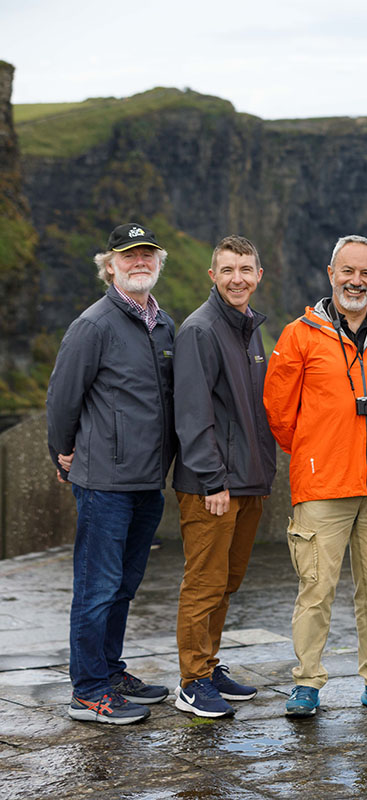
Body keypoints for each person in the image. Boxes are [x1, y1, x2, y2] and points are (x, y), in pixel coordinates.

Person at [263, 235, 367, 718]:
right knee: (316, 590)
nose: (356, 281)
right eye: (348, 271)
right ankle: (306, 683)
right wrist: (315, 451)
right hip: (322, 484)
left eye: (366, 273)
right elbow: (279, 411)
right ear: (331, 274)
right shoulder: (299, 334)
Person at [46, 223, 176, 724]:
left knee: (124, 585)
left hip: (147, 480)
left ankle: (110, 671)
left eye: (147, 254)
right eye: (128, 255)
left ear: (158, 262)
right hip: (104, 482)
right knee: (96, 588)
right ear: (110, 265)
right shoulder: (93, 324)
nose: (139, 261)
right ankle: (88, 691)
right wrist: (62, 453)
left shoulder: (164, 325)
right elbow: (62, 398)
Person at [171, 235, 275, 718]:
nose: (238, 278)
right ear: (213, 275)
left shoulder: (249, 328)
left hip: (247, 480)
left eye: (246, 269)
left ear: (258, 276)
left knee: (227, 581)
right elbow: (192, 414)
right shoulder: (200, 329)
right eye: (228, 270)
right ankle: (192, 681)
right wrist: (212, 480)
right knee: (204, 583)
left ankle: (209, 665)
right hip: (213, 486)